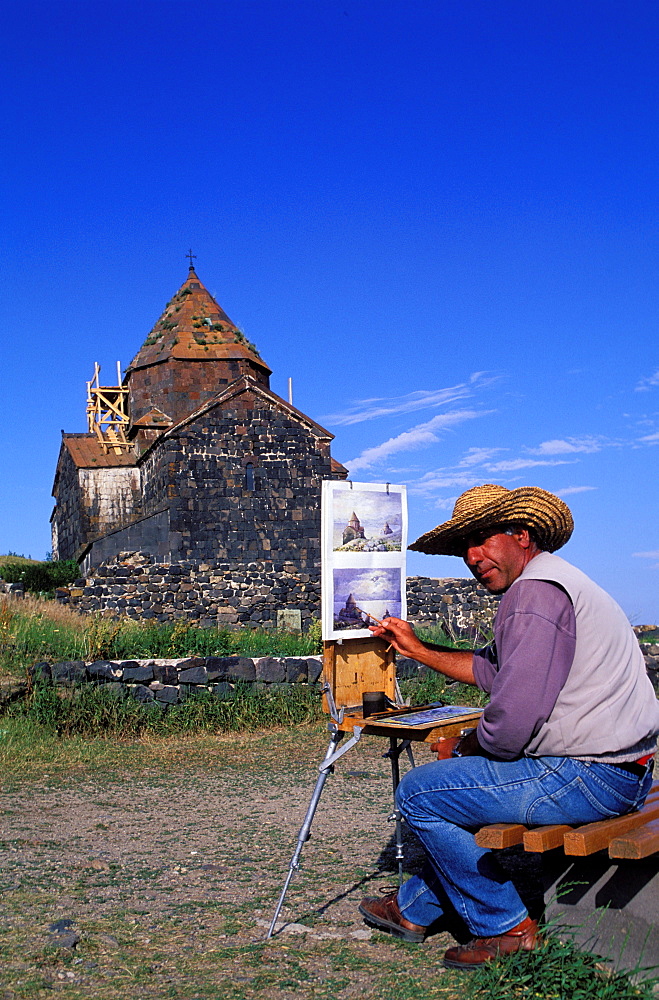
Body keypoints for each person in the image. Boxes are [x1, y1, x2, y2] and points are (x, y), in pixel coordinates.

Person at [359, 484, 659, 970]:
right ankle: (414, 910)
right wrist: (418, 649)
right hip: (627, 770)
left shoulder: (534, 596)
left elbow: (512, 722)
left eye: (482, 540)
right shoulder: (555, 583)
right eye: (464, 548)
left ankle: (506, 926)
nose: (473, 557)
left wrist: (466, 747)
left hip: (590, 775)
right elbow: (497, 674)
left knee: (419, 793)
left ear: (521, 534)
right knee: (454, 789)